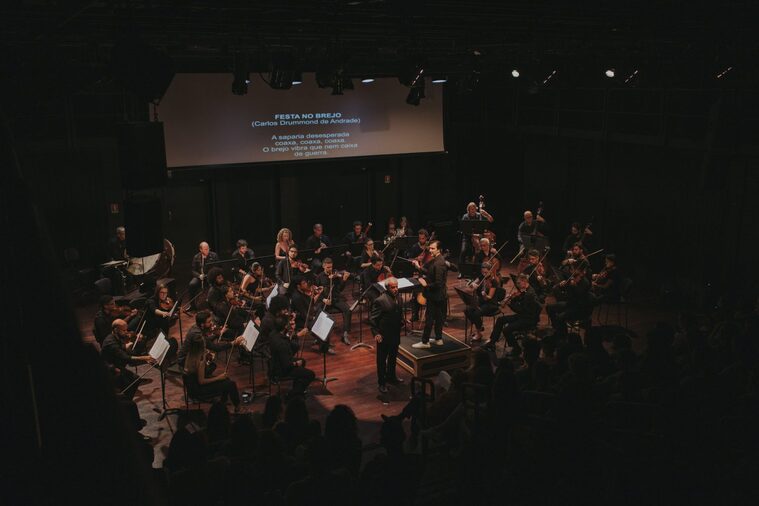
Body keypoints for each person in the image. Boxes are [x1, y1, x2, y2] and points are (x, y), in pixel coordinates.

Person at [183, 331, 242, 411]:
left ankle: (222, 402)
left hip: (192, 388)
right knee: (231, 384)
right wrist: (218, 378)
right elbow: (202, 381)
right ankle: (238, 408)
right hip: (199, 390)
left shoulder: (190, 355)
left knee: (226, 381)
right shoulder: (200, 360)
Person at [484, 274, 541, 356]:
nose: (517, 286)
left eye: (518, 283)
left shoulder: (529, 294)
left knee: (506, 330)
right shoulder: (526, 290)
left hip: (528, 319)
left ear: (524, 281)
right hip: (523, 315)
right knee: (500, 320)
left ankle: (516, 349)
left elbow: (520, 310)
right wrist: (514, 298)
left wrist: (510, 303)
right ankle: (492, 343)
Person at [101, 319, 156, 399]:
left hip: (117, 364)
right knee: (132, 382)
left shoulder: (116, 336)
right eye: (124, 330)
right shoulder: (111, 343)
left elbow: (124, 341)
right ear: (116, 330)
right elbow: (126, 358)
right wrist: (145, 358)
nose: (126, 332)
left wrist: (136, 337)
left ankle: (126, 399)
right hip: (111, 369)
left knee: (135, 380)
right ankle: (124, 400)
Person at [369, 277, 404, 393]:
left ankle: (391, 377)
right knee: (381, 360)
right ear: (387, 288)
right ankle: (382, 383)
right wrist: (376, 333)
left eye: (396, 286)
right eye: (393, 287)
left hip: (395, 333)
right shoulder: (380, 300)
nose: (395, 289)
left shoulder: (399, 297)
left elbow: (398, 312)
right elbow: (373, 319)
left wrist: (402, 321)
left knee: (393, 357)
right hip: (384, 335)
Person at [412, 240, 448, 348]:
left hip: (435, 295)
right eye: (430, 248)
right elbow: (429, 272)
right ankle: (438, 338)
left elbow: (438, 283)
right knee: (438, 317)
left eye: (433, 248)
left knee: (429, 318)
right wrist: (418, 267)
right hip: (438, 295)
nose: (430, 250)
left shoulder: (439, 263)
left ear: (439, 250)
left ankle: (425, 342)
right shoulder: (436, 260)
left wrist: (425, 285)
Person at [268, 316, 316, 397]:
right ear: (285, 327)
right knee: (311, 374)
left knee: (302, 361)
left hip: (274, 364)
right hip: (281, 370)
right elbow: (287, 365)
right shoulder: (282, 345)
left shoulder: (273, 334)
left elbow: (286, 340)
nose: (290, 324)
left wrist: (294, 334)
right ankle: (292, 394)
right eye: (288, 323)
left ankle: (297, 388)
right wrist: (297, 363)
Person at [463, 262, 505, 341]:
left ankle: (479, 333)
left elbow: (489, 297)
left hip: (491, 303)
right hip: (482, 301)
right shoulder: (481, 276)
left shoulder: (494, 282)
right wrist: (472, 284)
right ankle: (479, 326)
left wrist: (485, 295)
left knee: (476, 313)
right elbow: (470, 287)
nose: (484, 274)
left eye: (486, 272)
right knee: (467, 310)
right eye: (482, 272)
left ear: (490, 271)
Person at [316, 258, 353, 345]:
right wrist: (323, 299)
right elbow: (317, 291)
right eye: (328, 267)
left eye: (331, 267)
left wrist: (344, 280)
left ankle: (345, 334)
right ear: (323, 266)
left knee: (348, 310)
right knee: (319, 312)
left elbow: (340, 289)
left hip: (336, 299)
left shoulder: (335, 276)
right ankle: (320, 337)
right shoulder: (319, 277)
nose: (330, 269)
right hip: (325, 300)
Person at [459, 202, 493, 269]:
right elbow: (464, 230)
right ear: (468, 210)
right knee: (463, 251)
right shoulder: (465, 217)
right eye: (471, 209)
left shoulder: (479, 215)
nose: (473, 210)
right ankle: (461, 270)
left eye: (474, 209)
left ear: (476, 209)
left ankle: (481, 266)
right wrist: (473, 234)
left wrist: (486, 214)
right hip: (467, 237)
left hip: (477, 237)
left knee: (481, 248)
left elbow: (491, 220)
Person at [188, 242, 219, 313]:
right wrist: (199, 276)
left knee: (213, 287)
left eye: (208, 248)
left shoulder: (214, 255)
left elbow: (218, 267)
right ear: (200, 250)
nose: (207, 250)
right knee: (192, 284)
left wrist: (210, 275)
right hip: (200, 276)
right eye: (205, 249)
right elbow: (193, 270)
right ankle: (192, 306)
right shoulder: (196, 257)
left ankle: (213, 305)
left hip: (211, 276)